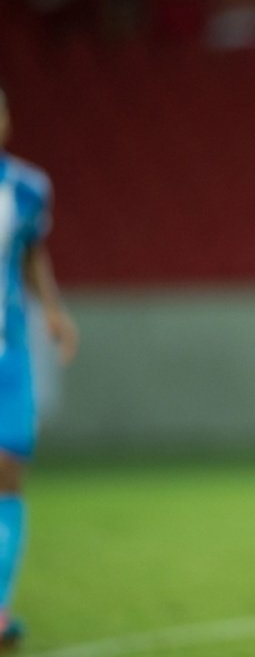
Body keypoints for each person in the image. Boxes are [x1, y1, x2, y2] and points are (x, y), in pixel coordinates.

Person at [0, 86, 79, 648]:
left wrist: (51, 309)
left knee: (9, 474)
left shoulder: (28, 188)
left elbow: (32, 251)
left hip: (8, 359)